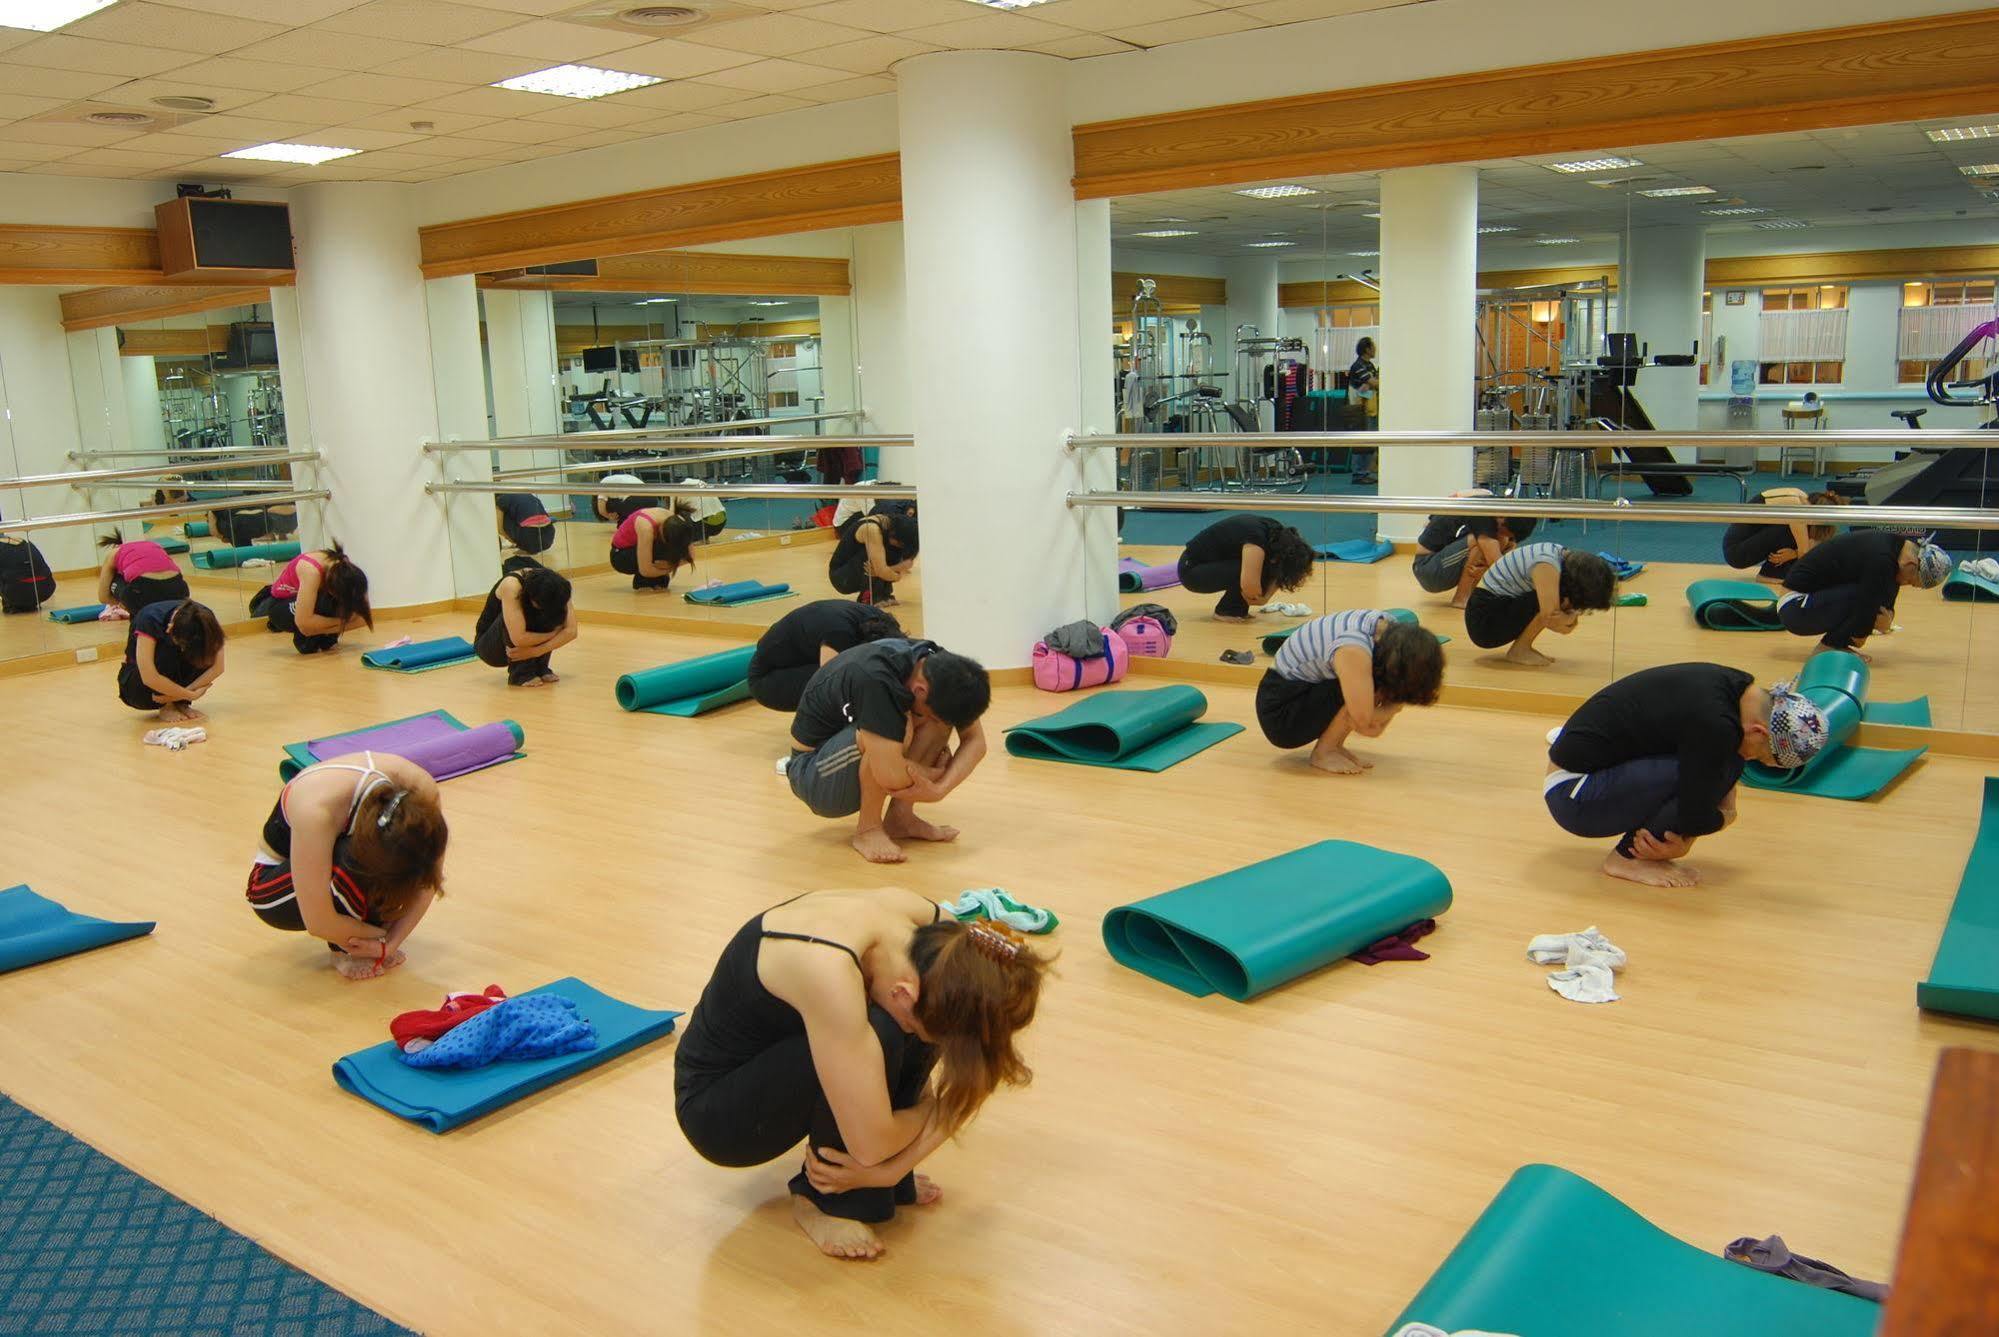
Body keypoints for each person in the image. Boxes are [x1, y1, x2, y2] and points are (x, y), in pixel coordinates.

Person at [674, 888, 1047, 1260]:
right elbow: (872, 1145)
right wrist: (926, 1111)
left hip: (787, 1055)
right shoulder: (827, 970)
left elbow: (980, 1061)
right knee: (886, 1030)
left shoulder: (941, 941)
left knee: (926, 1024)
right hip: (720, 1111)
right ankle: (821, 1201)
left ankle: (885, 1186)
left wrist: (888, 1173)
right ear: (904, 993)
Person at [1545, 663, 1828, 888]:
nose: (1752, 758)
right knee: (1725, 765)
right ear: (1759, 731)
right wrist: (1724, 818)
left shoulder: (1736, 687)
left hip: (1592, 773)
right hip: (1574, 795)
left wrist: (1694, 828)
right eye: (1761, 754)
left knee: (1723, 765)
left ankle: (1636, 852)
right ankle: (1625, 860)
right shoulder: (1716, 725)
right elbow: (1696, 813)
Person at [784, 637, 989, 864]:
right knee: (897, 725)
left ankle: (900, 817)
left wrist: (939, 789)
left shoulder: (941, 669)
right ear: (919, 689)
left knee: (936, 719)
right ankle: (868, 830)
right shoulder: (876, 679)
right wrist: (935, 774)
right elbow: (889, 775)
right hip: (813, 773)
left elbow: (976, 742)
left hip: (850, 753)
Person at [245, 752, 448, 981]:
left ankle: (360, 933)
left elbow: (431, 877)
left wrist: (392, 942)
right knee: (350, 862)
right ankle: (343, 952)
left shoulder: (422, 793)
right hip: (269, 882)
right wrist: (380, 941)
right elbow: (319, 922)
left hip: (349, 856)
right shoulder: (317, 811)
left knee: (408, 871)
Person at [1255, 610, 1445, 774]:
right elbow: (1364, 723)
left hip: (1300, 692)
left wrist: (1385, 707)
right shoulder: (1354, 648)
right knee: (1362, 687)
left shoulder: (1388, 631)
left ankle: (1334, 746)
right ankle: (1324, 753)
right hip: (1280, 715)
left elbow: (1373, 726)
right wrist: (1394, 707)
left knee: (1366, 685)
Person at [1778, 531, 1949, 660]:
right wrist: (1861, 635)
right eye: (1911, 581)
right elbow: (1868, 605)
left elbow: (1887, 601)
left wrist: (1886, 620)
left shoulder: (1896, 551)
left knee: (1871, 595)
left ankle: (1835, 643)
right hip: (1795, 607)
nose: (1905, 584)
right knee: (1866, 598)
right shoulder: (1882, 559)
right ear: (1912, 564)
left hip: (1807, 602)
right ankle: (1829, 645)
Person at [1463, 542, 1616, 665]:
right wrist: (1570, 617)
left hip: (1492, 607)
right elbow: (1554, 621)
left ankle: (1522, 648)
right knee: (1549, 604)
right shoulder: (1546, 566)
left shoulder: (1560, 556)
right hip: (1484, 622)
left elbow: (1561, 621)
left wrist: (1568, 617)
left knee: (1553, 601)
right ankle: (1519, 651)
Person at [749, 600, 903, 712]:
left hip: (801, 656)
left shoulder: (879, 619)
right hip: (766, 679)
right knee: (853, 682)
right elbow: (830, 682)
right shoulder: (839, 634)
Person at [1175, 514, 1315, 622]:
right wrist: (1260, 597)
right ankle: (1227, 611)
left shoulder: (1277, 536)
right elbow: (1249, 585)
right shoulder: (1256, 541)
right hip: (1191, 571)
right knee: (1256, 572)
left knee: (1264, 570)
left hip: (1206, 564)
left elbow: (1276, 572)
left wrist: (1265, 597)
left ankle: (1235, 609)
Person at [250, 543, 372, 654]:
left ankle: (322, 635)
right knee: (322, 612)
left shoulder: (347, 571)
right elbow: (304, 624)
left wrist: (330, 626)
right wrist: (343, 622)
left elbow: (363, 618)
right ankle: (306, 640)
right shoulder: (311, 572)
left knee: (331, 615)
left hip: (308, 600)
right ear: (332, 590)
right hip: (278, 605)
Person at [474, 557, 576, 687]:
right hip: (490, 647)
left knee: (554, 612)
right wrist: (554, 634)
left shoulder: (558, 586)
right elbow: (519, 638)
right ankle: (521, 673)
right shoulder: (512, 585)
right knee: (524, 616)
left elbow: (572, 631)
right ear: (531, 595)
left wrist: (536, 651)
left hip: (525, 645)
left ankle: (540, 668)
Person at [117, 598, 223, 722]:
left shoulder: (205, 619)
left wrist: (179, 695)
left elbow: (218, 667)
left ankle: (179, 704)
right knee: (166, 651)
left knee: (203, 651)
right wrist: (190, 695)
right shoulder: (150, 619)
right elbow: (149, 677)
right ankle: (166, 707)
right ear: (170, 628)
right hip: (140, 686)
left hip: (175, 688)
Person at [1412, 508, 1539, 607]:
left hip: (1441, 562)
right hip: (1427, 569)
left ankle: (1474, 596)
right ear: (1501, 519)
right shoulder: (1482, 513)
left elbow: (1509, 552)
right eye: (1504, 530)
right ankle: (1461, 599)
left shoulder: (1497, 510)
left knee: (1503, 541)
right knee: (1483, 544)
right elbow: (1500, 566)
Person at [1721, 487, 1845, 581]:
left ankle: (1773, 571)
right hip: (1736, 552)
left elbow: (1815, 544)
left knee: (1800, 534)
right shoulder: (1795, 507)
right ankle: (1771, 573)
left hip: (1742, 544)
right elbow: (1805, 553)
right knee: (1796, 532)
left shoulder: (1801, 497)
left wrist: (1794, 553)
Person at [829, 508, 918, 607]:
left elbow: (899, 565)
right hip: (841, 577)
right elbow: (883, 571)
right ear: (895, 535)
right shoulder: (872, 529)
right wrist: (898, 573)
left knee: (888, 554)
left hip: (858, 569)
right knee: (875, 556)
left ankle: (883, 595)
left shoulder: (891, 527)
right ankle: (868, 597)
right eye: (901, 544)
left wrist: (889, 570)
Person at [609, 503, 697, 592]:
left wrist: (669, 564)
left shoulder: (679, 524)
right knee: (661, 550)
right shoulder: (646, 526)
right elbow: (645, 570)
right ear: (661, 529)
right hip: (620, 555)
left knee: (670, 549)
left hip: (638, 548)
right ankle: (644, 583)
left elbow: (690, 556)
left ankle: (656, 581)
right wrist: (668, 568)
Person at [95, 533, 188, 615]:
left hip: (143, 594)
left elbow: (103, 597)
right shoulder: (153, 545)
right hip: (179, 590)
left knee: (116, 581)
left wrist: (122, 603)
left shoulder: (113, 554)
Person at [0, 530, 54, 614]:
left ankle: (15, 602)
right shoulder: (24, 542)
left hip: (16, 592)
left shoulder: (2, 547)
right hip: (45, 590)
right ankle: (28, 601)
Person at [595, 473, 659, 525]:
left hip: (636, 500)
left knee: (615, 507)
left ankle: (623, 523)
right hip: (653, 499)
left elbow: (601, 510)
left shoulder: (602, 483)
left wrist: (610, 516)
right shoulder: (625, 476)